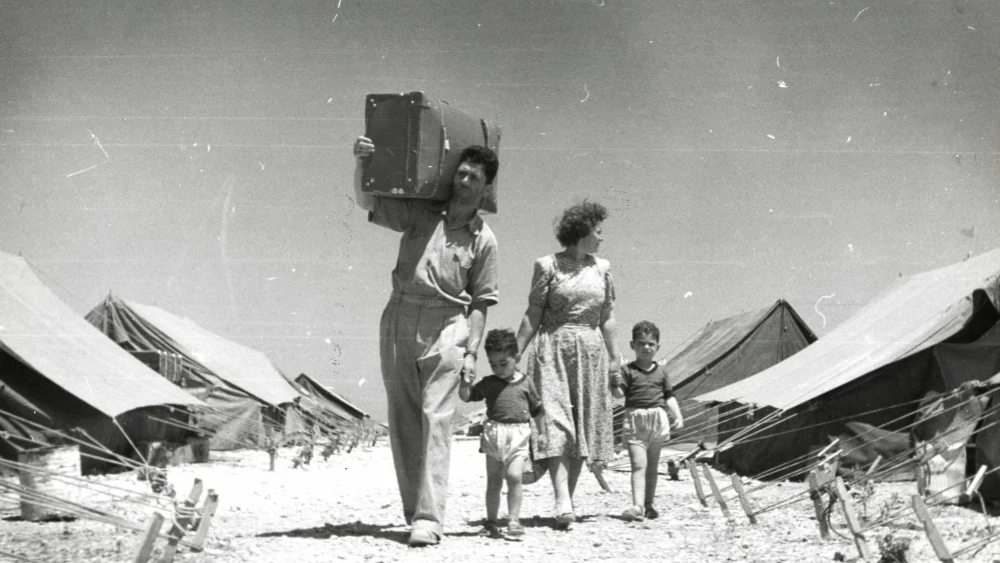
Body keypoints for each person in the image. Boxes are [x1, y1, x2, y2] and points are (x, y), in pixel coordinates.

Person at [352, 135, 500, 547]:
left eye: (474, 176)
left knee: (437, 418)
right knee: (402, 417)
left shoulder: (484, 240)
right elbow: (369, 203)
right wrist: (362, 163)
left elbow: (482, 303)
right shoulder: (421, 212)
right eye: (462, 172)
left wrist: (472, 352)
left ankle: (429, 518)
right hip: (399, 313)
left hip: (448, 322)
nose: (464, 179)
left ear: (486, 187)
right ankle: (411, 509)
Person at [515, 199, 621, 530]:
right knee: (557, 424)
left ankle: (567, 501)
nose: (602, 238)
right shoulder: (547, 265)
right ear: (581, 232)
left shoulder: (602, 268)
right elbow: (534, 312)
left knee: (583, 426)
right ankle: (562, 498)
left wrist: (616, 357)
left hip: (591, 353)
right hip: (553, 349)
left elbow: (607, 317)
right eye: (598, 231)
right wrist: (513, 356)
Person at [459, 328, 544, 541]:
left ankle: (513, 519)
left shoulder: (525, 382)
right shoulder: (489, 383)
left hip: (519, 435)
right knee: (494, 481)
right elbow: (467, 396)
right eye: (493, 364)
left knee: (515, 476)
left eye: (503, 363)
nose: (498, 369)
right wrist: (464, 382)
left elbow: (537, 410)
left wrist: (542, 433)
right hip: (493, 435)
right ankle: (491, 521)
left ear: (516, 358)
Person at [611, 320, 684, 521]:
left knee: (652, 466)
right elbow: (618, 395)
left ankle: (649, 504)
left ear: (657, 347)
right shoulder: (627, 371)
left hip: (657, 418)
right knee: (638, 464)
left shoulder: (662, 371)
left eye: (651, 344)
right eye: (641, 343)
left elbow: (669, 396)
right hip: (636, 419)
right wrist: (613, 384)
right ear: (632, 345)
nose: (646, 347)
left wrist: (677, 416)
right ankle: (637, 505)